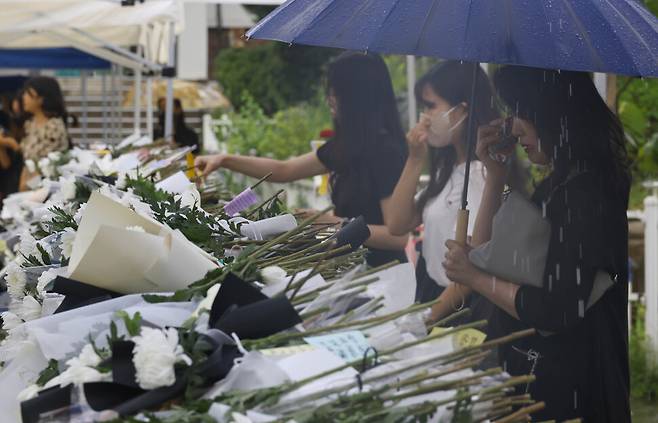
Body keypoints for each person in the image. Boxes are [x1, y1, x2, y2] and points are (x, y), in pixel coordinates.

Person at [439, 66, 631, 422]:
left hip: (573, 388)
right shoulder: (561, 183)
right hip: (545, 373)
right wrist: (495, 176)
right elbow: (484, 259)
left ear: (552, 110)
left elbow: (555, 309)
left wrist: (475, 278)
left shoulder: (586, 195)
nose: (512, 127)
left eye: (521, 113)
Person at [195, 52, 409, 267]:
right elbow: (284, 170)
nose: (329, 100)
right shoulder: (348, 146)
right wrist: (224, 160)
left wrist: (335, 222)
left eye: (336, 93)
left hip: (382, 274)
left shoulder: (385, 152)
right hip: (350, 265)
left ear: (357, 97)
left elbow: (397, 237)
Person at [383, 61, 496, 303]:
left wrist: (430, 317)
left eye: (431, 106)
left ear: (461, 111)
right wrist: (414, 160)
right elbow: (396, 223)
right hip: (431, 290)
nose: (424, 118)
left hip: (455, 303)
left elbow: (472, 267)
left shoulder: (480, 177)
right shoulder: (448, 168)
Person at [0, 77, 72, 190]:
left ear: (41, 99)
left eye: (28, 94)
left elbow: (49, 170)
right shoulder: (30, 123)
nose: (23, 98)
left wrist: (26, 188)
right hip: (26, 188)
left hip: (42, 192)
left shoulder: (53, 127)